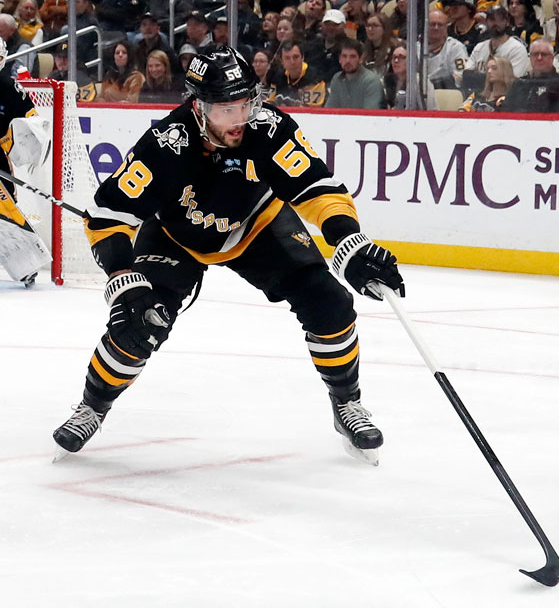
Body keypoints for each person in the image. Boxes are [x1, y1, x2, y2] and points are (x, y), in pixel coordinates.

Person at [51, 46, 404, 465]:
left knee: (330, 302)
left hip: (257, 225)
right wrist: (122, 277)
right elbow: (109, 216)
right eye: (225, 110)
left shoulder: (269, 127)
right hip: (176, 237)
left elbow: (317, 188)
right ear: (198, 107)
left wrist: (350, 243)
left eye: (245, 104)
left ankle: (347, 404)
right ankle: (92, 406)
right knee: (139, 323)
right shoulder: (166, 144)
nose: (239, 119)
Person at [0, 42, 52, 287]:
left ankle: (24, 264)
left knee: (6, 207)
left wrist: (33, 142)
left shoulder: (10, 88)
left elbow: (31, 120)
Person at [504, 40, 559, 113]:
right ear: (530, 57)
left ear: (552, 58)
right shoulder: (519, 83)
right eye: (535, 54)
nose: (539, 58)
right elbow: (506, 111)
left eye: (544, 54)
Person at [470, 5, 531, 78]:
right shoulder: (479, 47)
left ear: (507, 22)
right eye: (492, 19)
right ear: (486, 22)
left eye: (500, 19)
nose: (495, 23)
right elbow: (467, 75)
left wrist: (478, 77)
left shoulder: (517, 49)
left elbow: (512, 81)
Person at [326, 39, 386, 109]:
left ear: (360, 59)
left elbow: (370, 115)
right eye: (344, 56)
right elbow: (329, 111)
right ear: (340, 59)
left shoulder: (371, 81)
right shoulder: (336, 79)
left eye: (352, 57)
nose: (347, 61)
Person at [268, 39, 328, 107]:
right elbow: (270, 103)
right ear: (282, 61)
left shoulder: (315, 78)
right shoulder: (277, 78)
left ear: (302, 58)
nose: (292, 62)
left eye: (296, 57)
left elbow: (312, 110)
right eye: (287, 58)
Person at [426, 8, 473, 90]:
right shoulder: (417, 47)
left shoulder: (456, 47)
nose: (436, 28)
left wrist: (436, 82)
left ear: (446, 27)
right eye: (432, 24)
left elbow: (460, 75)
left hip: (445, 93)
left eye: (440, 25)